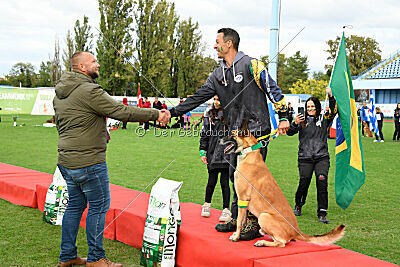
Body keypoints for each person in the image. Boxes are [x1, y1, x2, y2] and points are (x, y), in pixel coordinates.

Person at [169, 28, 289, 241]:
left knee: (252, 180)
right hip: (234, 134)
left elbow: (272, 89)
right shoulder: (217, 75)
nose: (214, 46)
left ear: (229, 43)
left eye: (217, 42)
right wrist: (171, 113)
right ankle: (236, 218)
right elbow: (197, 98)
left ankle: (252, 222)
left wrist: (283, 115)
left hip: (255, 133)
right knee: (236, 177)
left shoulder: (251, 64)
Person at [53, 51, 170, 267]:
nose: (97, 65)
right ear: (81, 67)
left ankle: (67, 256)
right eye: (94, 62)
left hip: (66, 160)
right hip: (88, 161)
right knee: (98, 206)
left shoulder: (60, 93)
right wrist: (156, 114)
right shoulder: (89, 90)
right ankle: (96, 258)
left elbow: (64, 125)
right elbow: (122, 111)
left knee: (74, 206)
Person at [287, 88, 336, 224]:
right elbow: (289, 133)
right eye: (308, 106)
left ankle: (322, 213)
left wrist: (331, 96)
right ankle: (298, 204)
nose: (310, 109)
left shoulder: (324, 118)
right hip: (305, 158)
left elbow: (333, 111)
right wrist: (295, 123)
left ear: (317, 107)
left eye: (312, 106)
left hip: (321, 157)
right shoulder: (301, 120)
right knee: (304, 182)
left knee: (322, 181)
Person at [199, 95, 231, 222]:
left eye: (219, 99)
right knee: (211, 181)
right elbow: (204, 135)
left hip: (226, 154)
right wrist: (203, 152)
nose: (217, 102)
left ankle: (226, 210)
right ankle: (206, 205)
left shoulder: (231, 114)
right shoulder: (208, 114)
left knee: (225, 183)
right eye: (215, 99)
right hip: (212, 154)